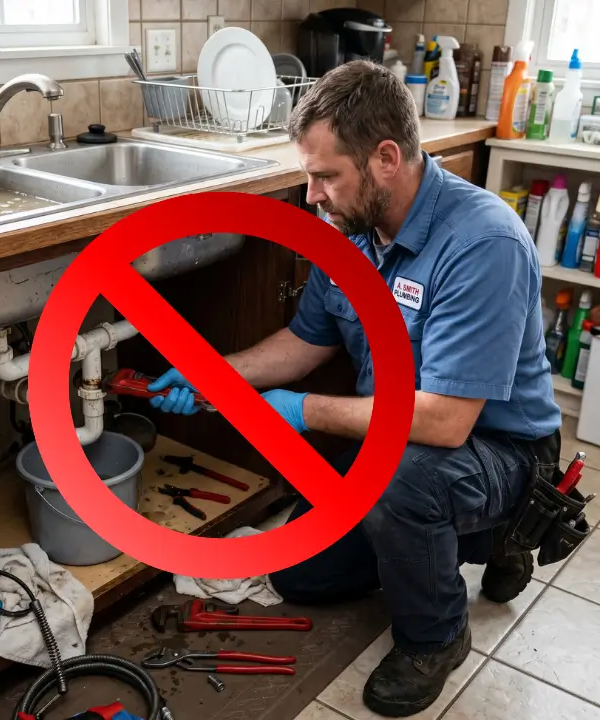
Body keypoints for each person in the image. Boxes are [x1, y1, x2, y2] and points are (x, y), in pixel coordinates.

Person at [146, 59, 562, 718]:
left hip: (500, 450)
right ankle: (447, 541)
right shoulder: (352, 238)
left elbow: (447, 422)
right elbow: (303, 344)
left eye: (324, 177)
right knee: (301, 577)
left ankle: (437, 632)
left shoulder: (481, 242)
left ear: (386, 158)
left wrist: (301, 410)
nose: (311, 197)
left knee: (399, 478)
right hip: (399, 438)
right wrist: (211, 372)